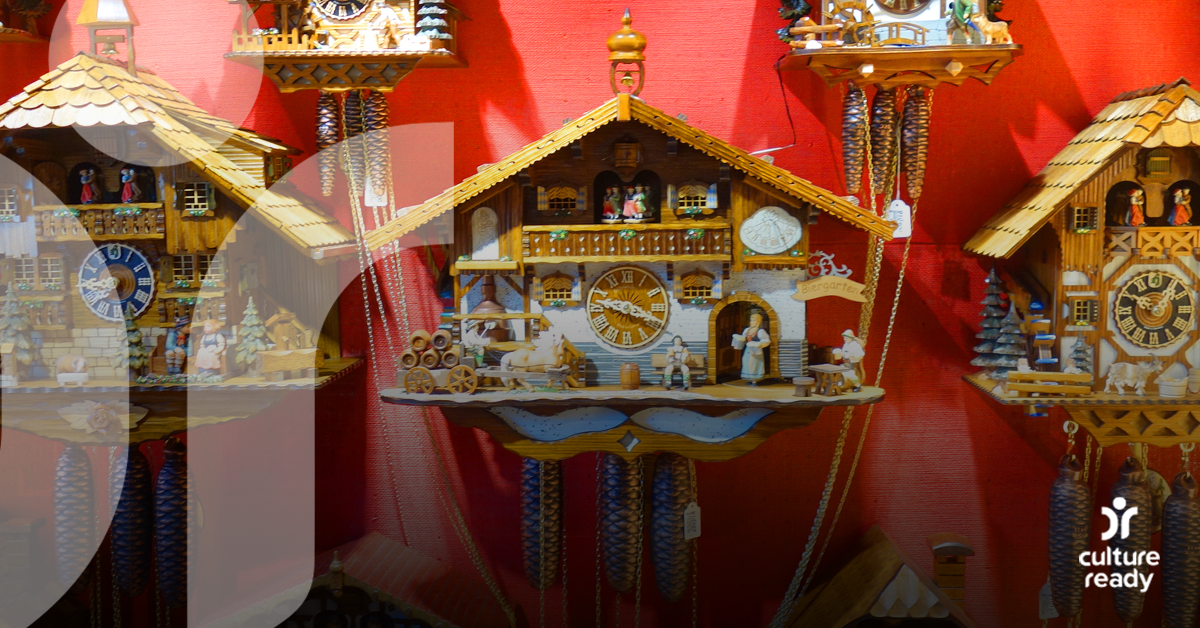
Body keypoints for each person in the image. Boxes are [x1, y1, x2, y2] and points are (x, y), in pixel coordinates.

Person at [733, 309, 770, 384]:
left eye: (754, 320)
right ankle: (749, 378)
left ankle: (754, 380)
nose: (751, 322)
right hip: (748, 349)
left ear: (758, 321)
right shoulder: (747, 330)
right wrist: (740, 338)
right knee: (746, 362)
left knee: (753, 364)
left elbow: (766, 340)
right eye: (751, 320)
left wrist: (758, 344)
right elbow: (744, 337)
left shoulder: (760, 331)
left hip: (756, 350)